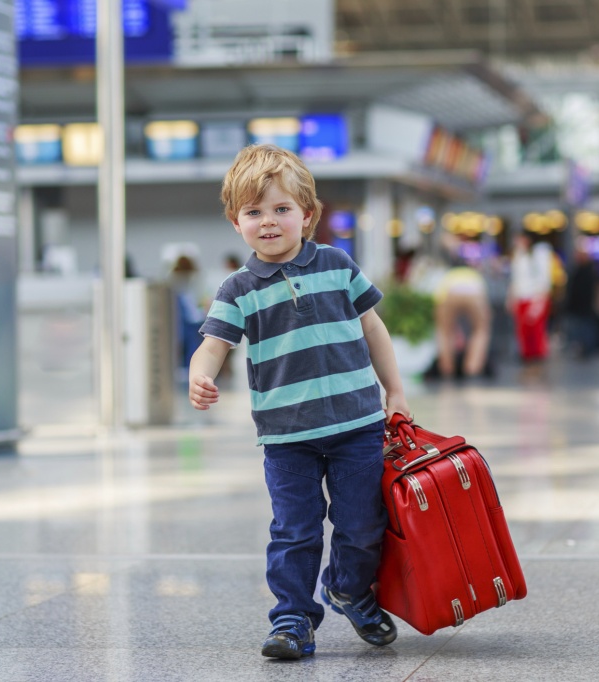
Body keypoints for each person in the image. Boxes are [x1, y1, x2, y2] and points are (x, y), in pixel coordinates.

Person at [188, 144, 411, 660]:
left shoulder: (337, 264)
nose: (269, 221)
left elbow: (372, 328)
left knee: (362, 525)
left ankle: (350, 588)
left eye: (282, 209)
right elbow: (213, 344)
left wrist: (394, 391)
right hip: (288, 437)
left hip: (357, 423)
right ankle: (292, 619)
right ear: (235, 222)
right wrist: (200, 375)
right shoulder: (238, 287)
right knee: (295, 530)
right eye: (254, 212)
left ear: (307, 216)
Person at [433, 259, 492, 378]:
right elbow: (484, 300)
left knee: (444, 332)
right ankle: (472, 368)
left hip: (450, 293)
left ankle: (446, 368)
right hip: (474, 294)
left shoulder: (448, 275)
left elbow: (438, 300)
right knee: (480, 330)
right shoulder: (474, 275)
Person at [507, 233, 553, 362]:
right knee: (523, 332)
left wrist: (539, 301)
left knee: (536, 331)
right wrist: (511, 298)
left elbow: (544, 280)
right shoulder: (518, 257)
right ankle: (527, 356)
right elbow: (515, 280)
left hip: (535, 299)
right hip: (522, 299)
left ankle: (537, 359)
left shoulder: (539, 255)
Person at [564, 246, 599, 359]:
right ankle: (582, 347)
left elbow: (586, 290)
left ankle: (588, 348)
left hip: (584, 305)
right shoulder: (579, 270)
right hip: (578, 306)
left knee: (586, 327)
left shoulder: (587, 271)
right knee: (580, 328)